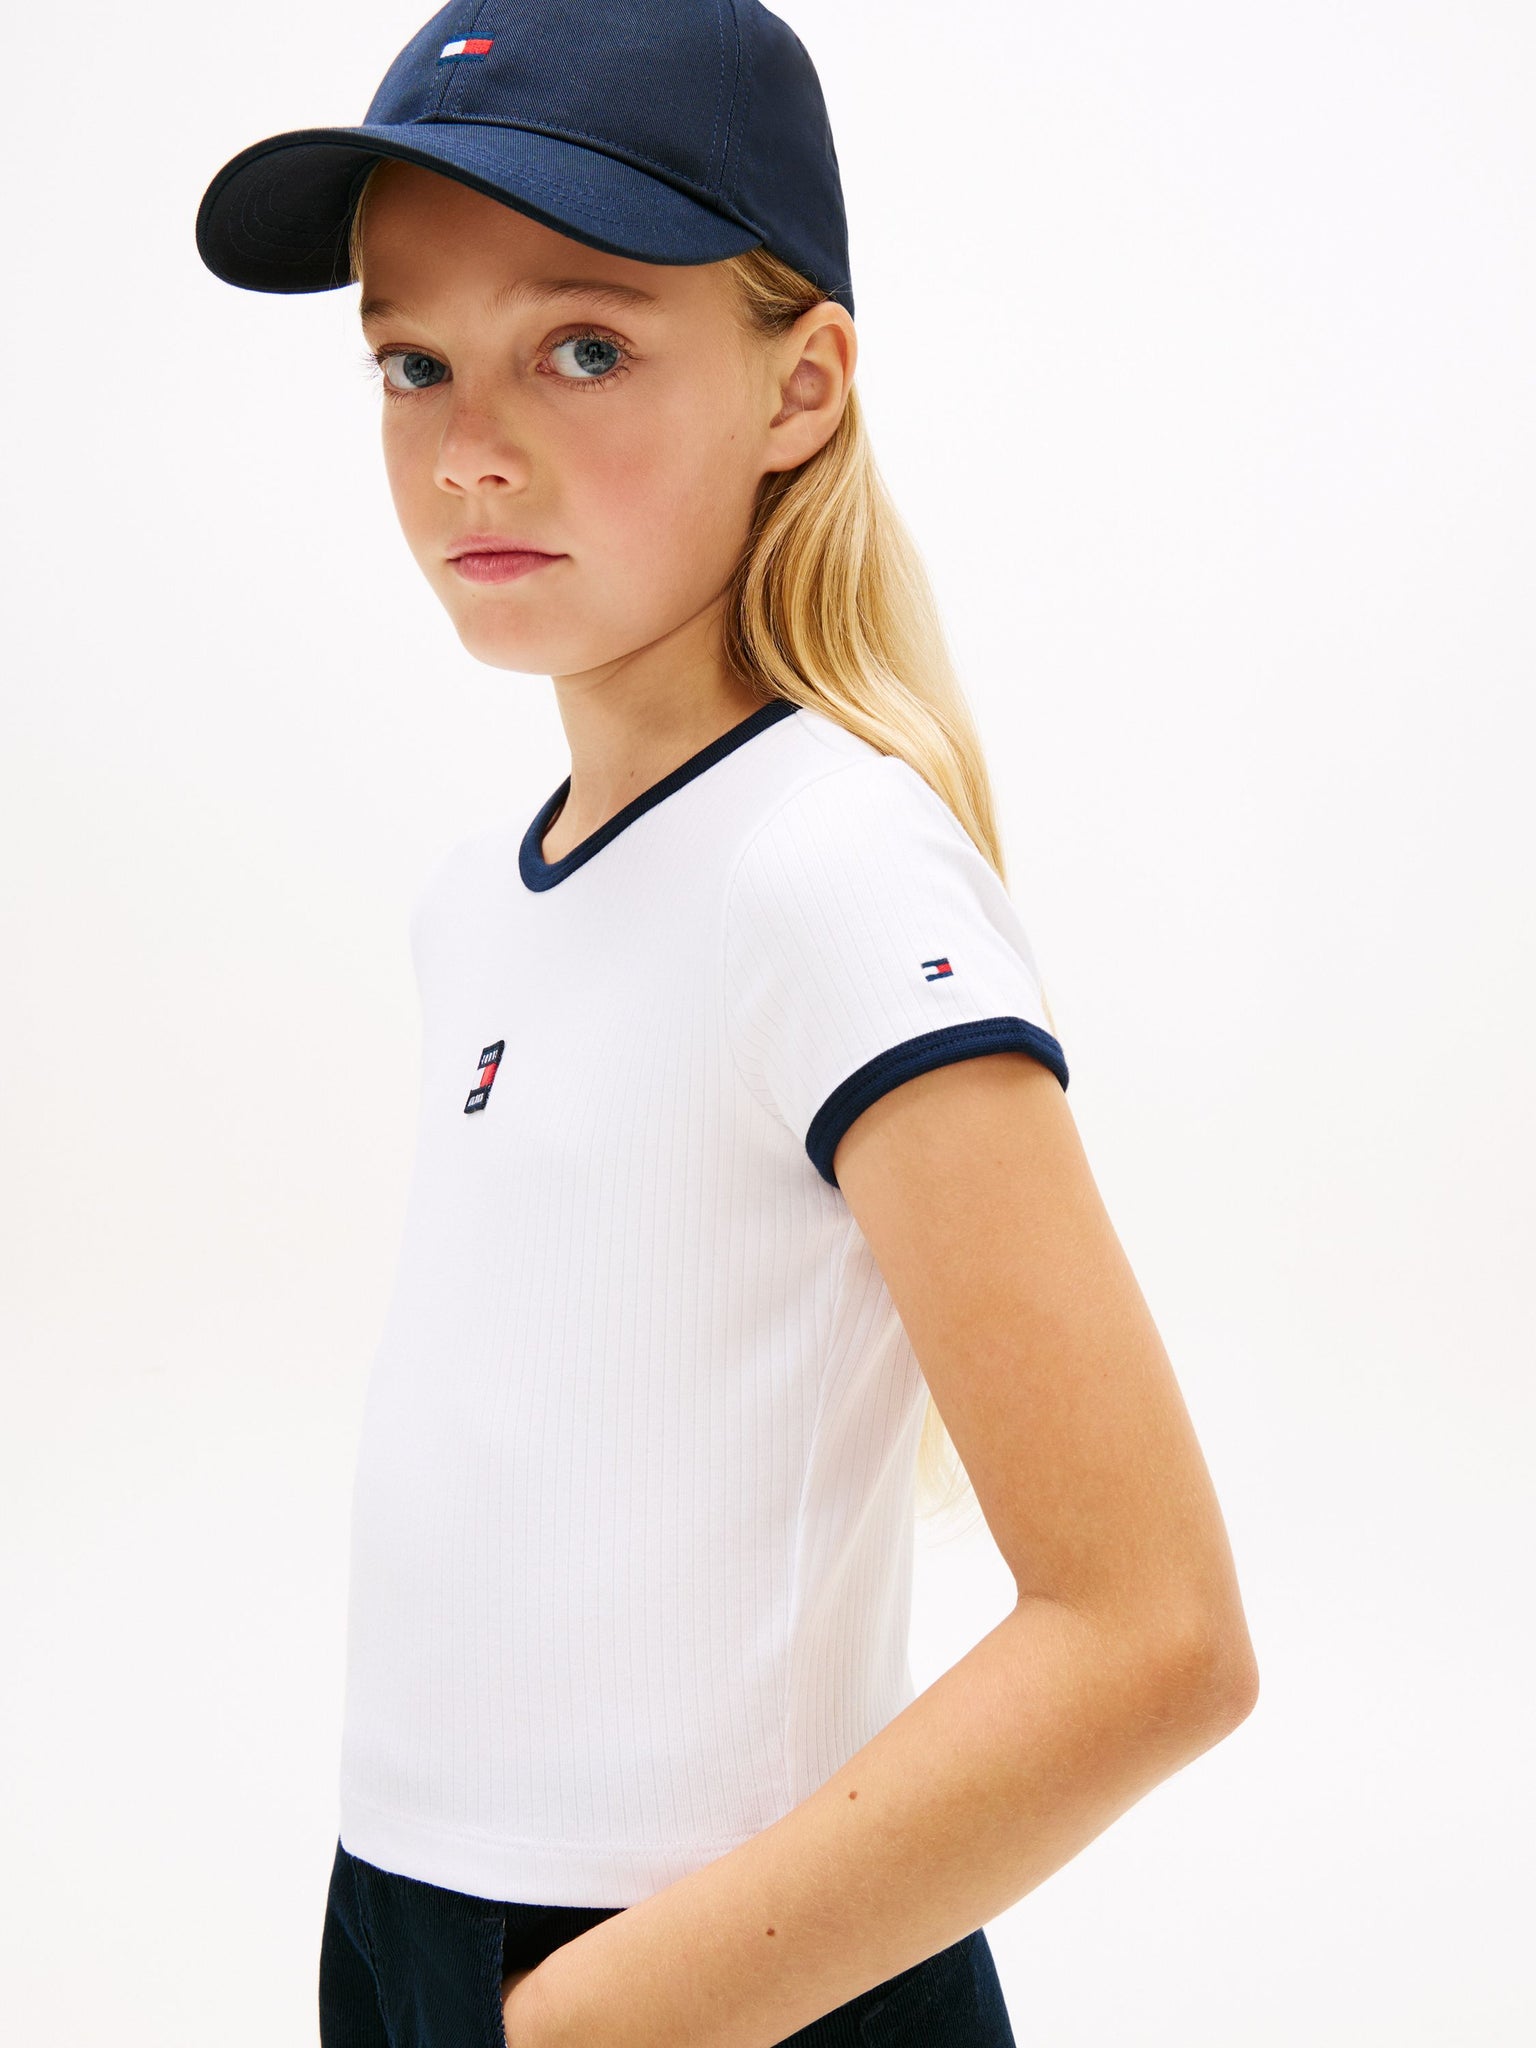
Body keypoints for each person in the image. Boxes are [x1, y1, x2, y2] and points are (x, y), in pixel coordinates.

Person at [195, 4, 1259, 2043]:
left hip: (701, 1983)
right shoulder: (481, 896)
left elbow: (1156, 1636)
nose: (469, 446)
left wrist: (580, 2024)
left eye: (583, 347)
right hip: (405, 1920)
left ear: (804, 384)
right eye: (412, 361)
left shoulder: (836, 877)